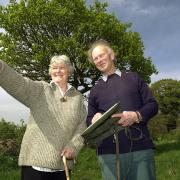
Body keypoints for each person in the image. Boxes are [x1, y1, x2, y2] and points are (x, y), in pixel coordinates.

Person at [0, 55, 87, 180]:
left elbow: (81, 127)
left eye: (61, 68)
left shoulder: (78, 98)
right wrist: (2, 68)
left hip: (62, 167)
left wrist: (73, 146)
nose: (57, 71)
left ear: (69, 71)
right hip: (34, 167)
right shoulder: (41, 90)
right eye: (54, 68)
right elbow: (20, 84)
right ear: (50, 71)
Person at [86, 40, 158, 180]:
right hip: (108, 155)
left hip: (140, 149)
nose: (99, 60)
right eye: (96, 59)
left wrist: (137, 115)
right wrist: (93, 119)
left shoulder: (133, 78)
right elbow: (89, 120)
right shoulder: (94, 90)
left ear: (111, 55)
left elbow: (152, 104)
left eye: (101, 55)